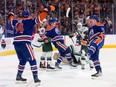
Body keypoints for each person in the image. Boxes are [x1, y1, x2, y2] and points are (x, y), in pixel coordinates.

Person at [8, 5, 55, 84]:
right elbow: (40, 18)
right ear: (28, 15)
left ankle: (19, 75)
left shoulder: (16, 21)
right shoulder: (30, 21)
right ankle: (35, 77)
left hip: (16, 44)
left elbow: (10, 18)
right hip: (25, 42)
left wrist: (11, 14)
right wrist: (47, 9)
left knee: (23, 60)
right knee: (32, 59)